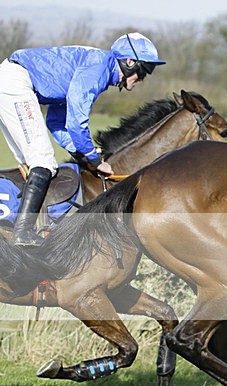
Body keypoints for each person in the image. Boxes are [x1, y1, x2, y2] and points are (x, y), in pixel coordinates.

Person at [0, 32, 165, 246]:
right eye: (144, 71)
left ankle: (18, 229)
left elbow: (57, 121)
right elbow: (77, 122)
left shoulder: (97, 68)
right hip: (15, 83)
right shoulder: (97, 69)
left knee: (34, 164)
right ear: (129, 62)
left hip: (11, 80)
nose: (142, 79)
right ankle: (22, 233)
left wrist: (79, 153)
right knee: (43, 162)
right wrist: (93, 159)